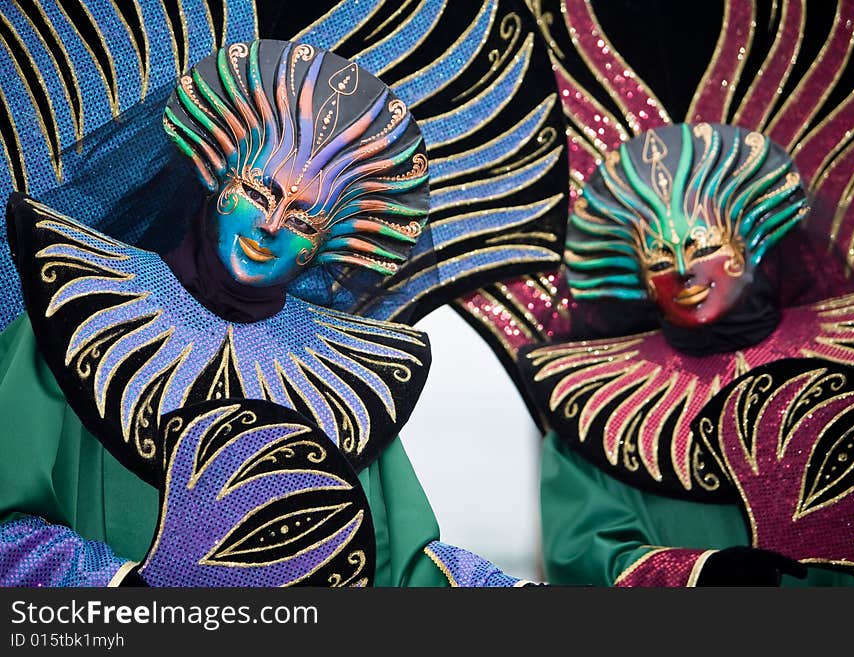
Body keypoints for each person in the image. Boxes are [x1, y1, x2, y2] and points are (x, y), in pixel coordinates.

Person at [0, 27, 564, 587]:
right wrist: (130, 592)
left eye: (302, 220)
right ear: (214, 174)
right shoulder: (75, 307)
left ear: (330, 244)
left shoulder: (346, 380)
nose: (270, 226)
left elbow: (403, 566)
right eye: (259, 191)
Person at [452, 0, 854, 586]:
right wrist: (699, 576)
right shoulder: (590, 406)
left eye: (700, 244)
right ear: (636, 276)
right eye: (659, 255)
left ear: (749, 244)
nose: (682, 270)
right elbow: (584, 551)